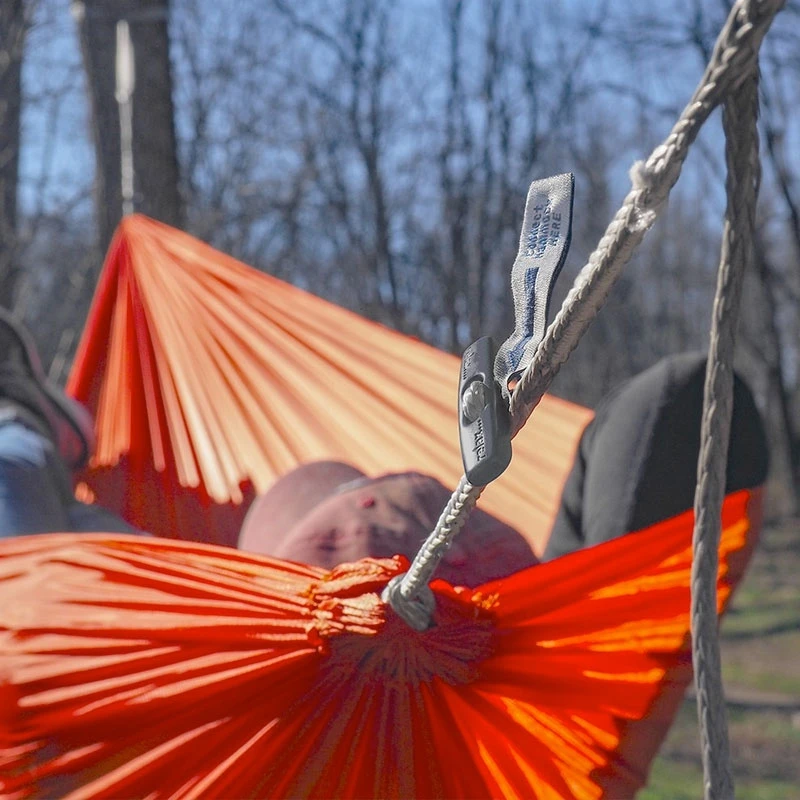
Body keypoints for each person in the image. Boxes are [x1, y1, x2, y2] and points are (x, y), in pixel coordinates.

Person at [0, 309, 768, 584]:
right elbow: (676, 404)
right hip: (497, 640)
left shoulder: (216, 709)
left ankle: (21, 432)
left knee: (52, 563)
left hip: (268, 647)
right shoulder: (557, 736)